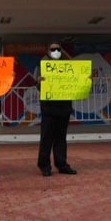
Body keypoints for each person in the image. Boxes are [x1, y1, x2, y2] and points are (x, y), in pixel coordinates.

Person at [36, 42, 77, 177]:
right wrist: (40, 82)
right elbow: (38, 86)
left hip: (64, 108)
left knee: (61, 139)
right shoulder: (43, 66)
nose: (56, 51)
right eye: (53, 49)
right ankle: (44, 165)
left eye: (59, 49)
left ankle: (62, 164)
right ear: (48, 51)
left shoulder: (68, 65)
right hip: (49, 108)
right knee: (46, 138)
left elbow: (75, 82)